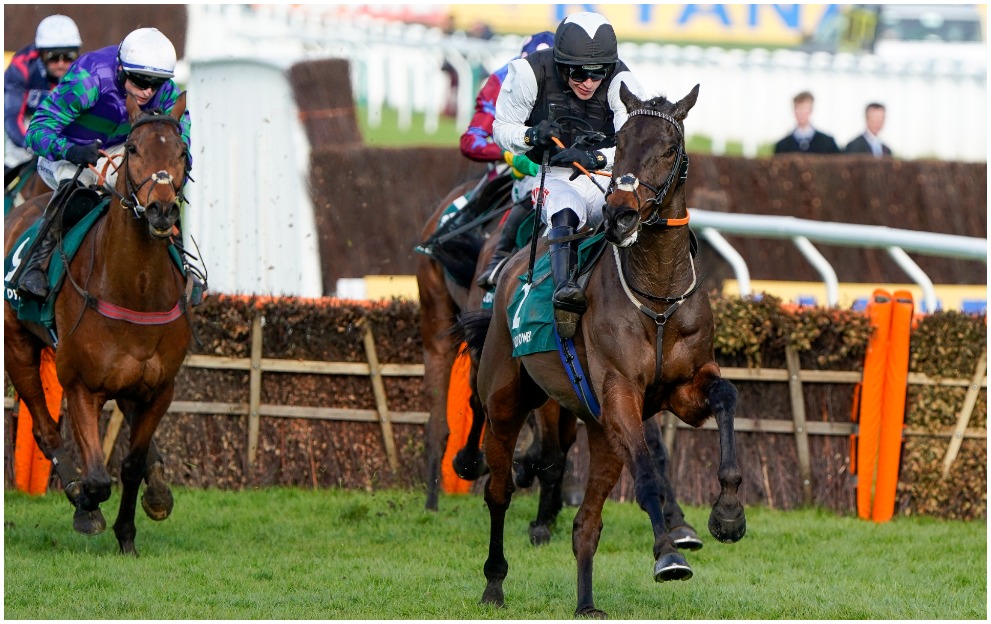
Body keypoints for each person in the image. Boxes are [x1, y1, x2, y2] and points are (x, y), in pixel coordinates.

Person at [493, 11, 644, 339]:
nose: (589, 83)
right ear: (561, 65)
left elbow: (637, 146)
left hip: (608, 175)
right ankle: (563, 290)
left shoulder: (622, 81)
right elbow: (501, 129)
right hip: (553, 176)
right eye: (579, 73)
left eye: (598, 73)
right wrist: (531, 136)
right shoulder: (528, 74)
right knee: (567, 208)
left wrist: (596, 157)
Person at [16, 27, 192, 301]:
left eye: (155, 84)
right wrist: (71, 150)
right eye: (139, 80)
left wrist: (181, 164)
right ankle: (35, 266)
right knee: (78, 192)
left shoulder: (166, 90)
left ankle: (184, 267)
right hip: (65, 151)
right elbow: (36, 132)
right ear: (121, 68)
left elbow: (182, 139)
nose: (147, 91)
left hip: (120, 148)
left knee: (158, 191)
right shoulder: (89, 78)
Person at [463, 30, 554, 290]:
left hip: (554, 164)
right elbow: (471, 142)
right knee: (532, 193)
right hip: (513, 167)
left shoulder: (572, 81)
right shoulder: (501, 81)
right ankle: (498, 258)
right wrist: (508, 154)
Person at [4, 15, 82, 175]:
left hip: (58, 123)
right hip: (26, 122)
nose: (61, 63)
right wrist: (31, 144)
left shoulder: (82, 72)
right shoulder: (21, 67)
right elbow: (12, 117)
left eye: (68, 56)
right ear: (40, 54)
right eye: (53, 57)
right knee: (12, 163)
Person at [773, 91, 840, 155]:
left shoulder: (827, 143)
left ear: (811, 110)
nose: (800, 112)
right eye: (797, 108)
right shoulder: (783, 145)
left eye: (804, 108)